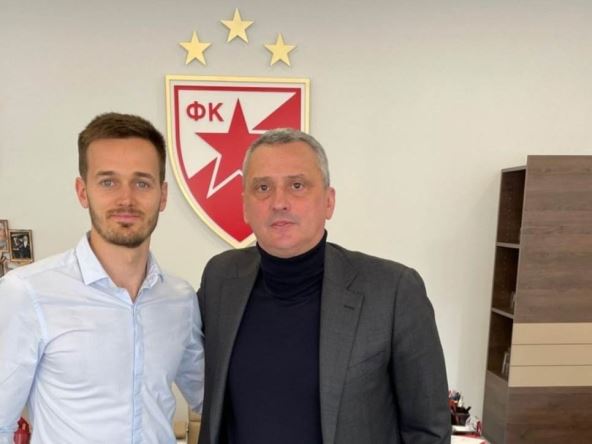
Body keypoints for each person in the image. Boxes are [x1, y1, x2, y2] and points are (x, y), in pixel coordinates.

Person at [197, 128, 451, 444]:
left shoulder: (394, 291)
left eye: (297, 185)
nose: (279, 202)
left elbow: (428, 431)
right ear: (245, 206)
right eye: (263, 187)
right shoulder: (220, 279)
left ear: (329, 202)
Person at [0, 113, 204, 443]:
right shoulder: (27, 292)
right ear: (83, 192)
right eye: (108, 182)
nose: (126, 199)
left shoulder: (180, 299)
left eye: (142, 182)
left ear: (163, 195)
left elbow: (209, 396)